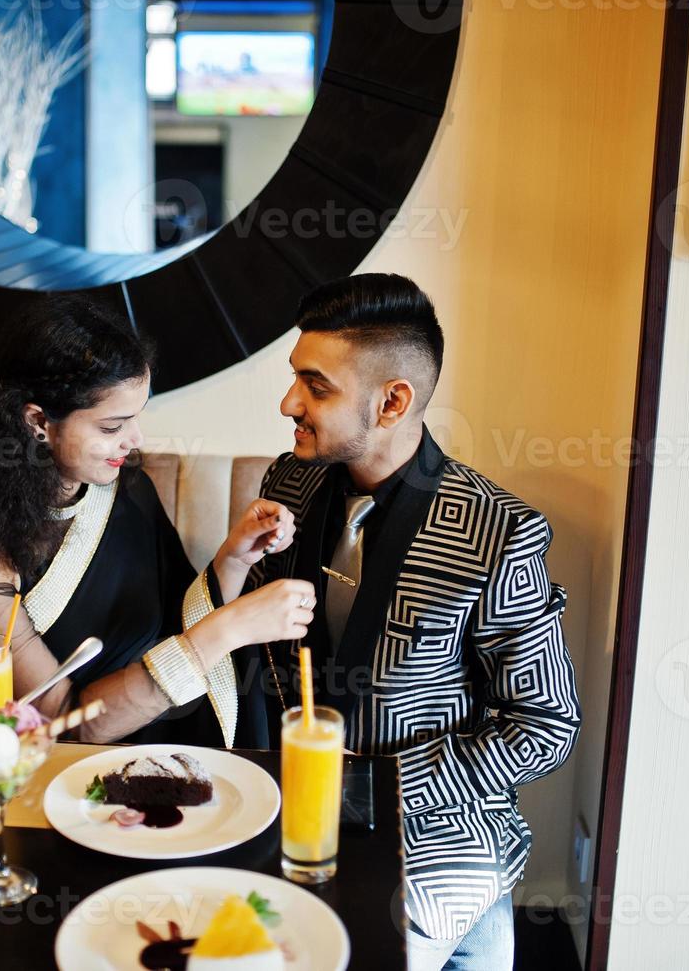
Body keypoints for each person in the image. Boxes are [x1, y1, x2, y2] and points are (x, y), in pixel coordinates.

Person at [210, 274, 582, 970]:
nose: (288, 403)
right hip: (288, 818)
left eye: (315, 387)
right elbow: (255, 653)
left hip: (434, 840)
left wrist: (378, 785)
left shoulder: (498, 535)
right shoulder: (286, 483)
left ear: (392, 401)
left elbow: (545, 726)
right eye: (295, 379)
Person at [0, 296, 316, 746]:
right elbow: (58, 721)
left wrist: (234, 559)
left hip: (164, 735)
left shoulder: (123, 485)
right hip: (45, 768)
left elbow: (171, 623)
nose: (135, 439)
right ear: (37, 422)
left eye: (136, 418)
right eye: (111, 427)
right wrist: (229, 631)